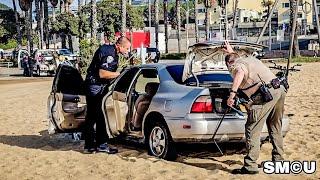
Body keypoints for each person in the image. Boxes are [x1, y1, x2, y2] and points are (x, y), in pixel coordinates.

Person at [224, 41, 287, 174]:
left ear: (229, 64)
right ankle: (279, 161)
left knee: (252, 127)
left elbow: (239, 71)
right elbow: (234, 58)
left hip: (267, 94)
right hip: (279, 88)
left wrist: (232, 94)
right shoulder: (248, 59)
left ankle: (250, 166)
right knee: (275, 126)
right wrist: (230, 51)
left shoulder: (237, 65)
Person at [83, 36, 131, 154]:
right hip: (95, 87)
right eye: (127, 48)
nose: (127, 51)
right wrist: (119, 74)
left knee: (92, 116)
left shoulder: (109, 51)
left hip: (94, 85)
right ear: (120, 46)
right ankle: (101, 145)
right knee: (100, 116)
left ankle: (89, 146)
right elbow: (102, 73)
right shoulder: (109, 53)